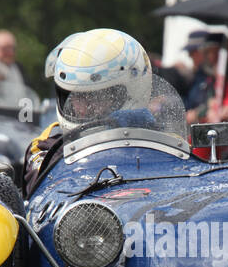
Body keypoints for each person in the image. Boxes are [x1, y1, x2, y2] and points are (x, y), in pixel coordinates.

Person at [24, 28, 151, 194]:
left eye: (95, 97)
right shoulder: (47, 145)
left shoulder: (161, 138)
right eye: (74, 97)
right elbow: (42, 194)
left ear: (132, 90)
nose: (82, 108)